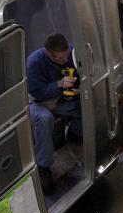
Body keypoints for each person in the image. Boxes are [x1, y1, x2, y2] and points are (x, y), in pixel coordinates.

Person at [26, 33, 82, 193]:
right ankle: (43, 166)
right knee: (44, 119)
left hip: (58, 97)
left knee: (82, 103)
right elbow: (37, 92)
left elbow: (76, 68)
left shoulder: (69, 52)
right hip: (37, 100)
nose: (65, 61)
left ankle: (74, 133)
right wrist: (58, 84)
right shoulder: (34, 64)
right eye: (60, 59)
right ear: (49, 54)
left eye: (66, 56)